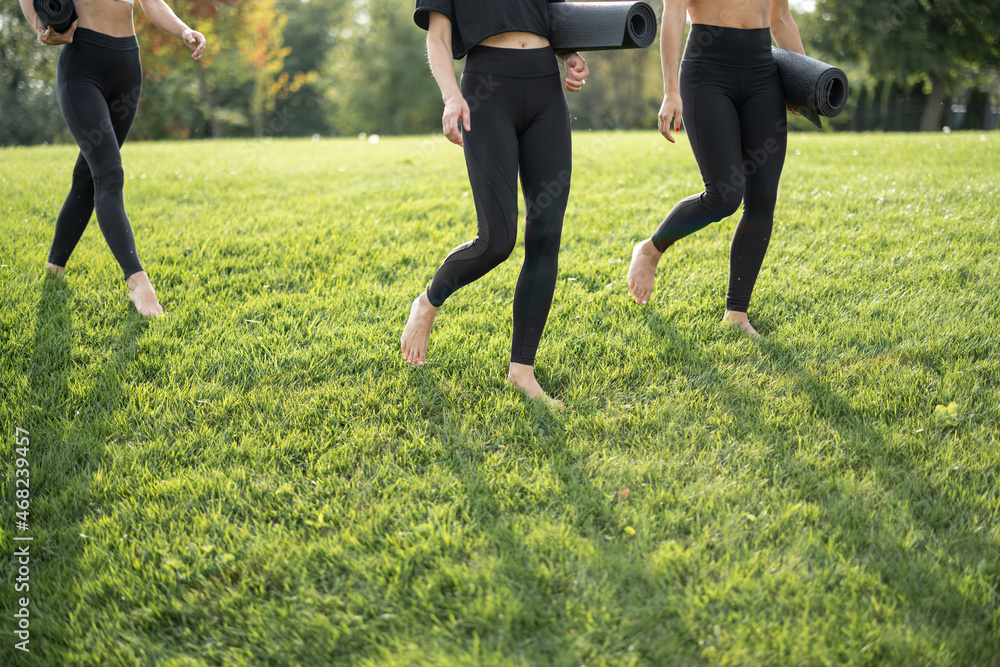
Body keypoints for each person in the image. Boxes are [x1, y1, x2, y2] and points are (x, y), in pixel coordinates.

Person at [401, 0, 589, 408]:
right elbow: (438, 35)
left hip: (546, 90)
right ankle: (428, 301)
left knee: (546, 232)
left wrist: (570, 55)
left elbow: (550, 17)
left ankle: (522, 369)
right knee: (497, 240)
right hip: (487, 90)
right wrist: (452, 97)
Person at [626, 0, 805, 337]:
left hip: (763, 76)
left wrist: (805, 82)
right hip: (707, 73)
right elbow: (675, 14)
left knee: (763, 198)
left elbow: (780, 18)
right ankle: (651, 249)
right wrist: (670, 91)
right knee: (724, 196)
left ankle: (737, 313)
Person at [19, 0, 206, 317]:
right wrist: (39, 24)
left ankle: (54, 267)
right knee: (109, 174)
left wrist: (184, 30)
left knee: (87, 176)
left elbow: (151, 2)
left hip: (127, 69)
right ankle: (137, 281)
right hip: (82, 68)